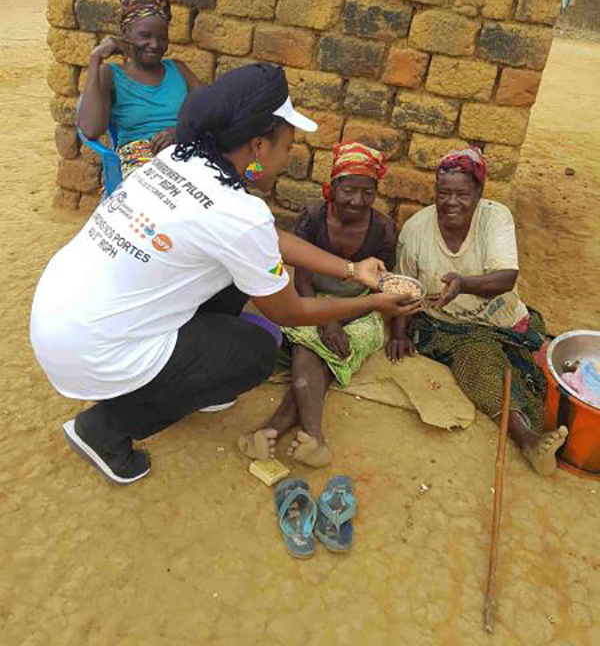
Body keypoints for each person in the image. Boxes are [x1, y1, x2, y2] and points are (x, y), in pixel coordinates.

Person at [30, 63, 420, 485]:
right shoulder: (236, 213)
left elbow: (268, 239)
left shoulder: (178, 161)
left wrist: (353, 270)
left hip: (60, 315)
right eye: (287, 145)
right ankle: (102, 431)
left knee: (240, 275)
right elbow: (288, 312)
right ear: (257, 146)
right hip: (92, 350)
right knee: (256, 352)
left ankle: (192, 380)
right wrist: (375, 301)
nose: (289, 157)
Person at [395, 147, 568, 477]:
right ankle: (528, 440)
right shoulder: (416, 230)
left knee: (542, 368)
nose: (451, 202)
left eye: (462, 193)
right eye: (443, 193)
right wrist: (401, 333)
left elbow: (507, 278)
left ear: (479, 193)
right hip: (447, 325)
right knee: (480, 361)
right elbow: (405, 286)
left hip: (502, 316)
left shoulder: (495, 217)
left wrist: (464, 284)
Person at [239, 142, 405, 468]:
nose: (357, 201)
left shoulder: (383, 229)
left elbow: (381, 286)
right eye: (349, 190)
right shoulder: (313, 216)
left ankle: (271, 428)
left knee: (323, 351)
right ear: (333, 186)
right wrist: (327, 321)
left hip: (361, 309)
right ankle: (313, 435)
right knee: (311, 344)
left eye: (367, 192)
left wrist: (341, 321)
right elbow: (302, 277)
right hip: (311, 300)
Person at [77, 0, 203, 178]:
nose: (155, 44)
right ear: (125, 33)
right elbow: (91, 129)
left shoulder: (178, 69)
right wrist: (95, 59)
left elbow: (212, 109)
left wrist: (180, 132)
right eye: (145, 35)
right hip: (140, 160)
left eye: (162, 38)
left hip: (185, 151)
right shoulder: (111, 75)